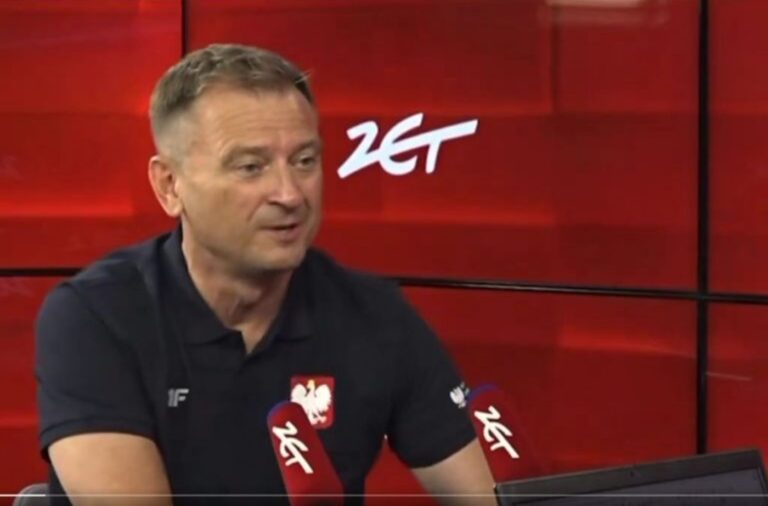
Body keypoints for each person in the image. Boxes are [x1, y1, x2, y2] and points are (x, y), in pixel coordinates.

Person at [35, 43, 494, 505]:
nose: (290, 194)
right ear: (170, 186)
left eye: (304, 161)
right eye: (251, 167)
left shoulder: (375, 317)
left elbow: (485, 494)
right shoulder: (96, 317)